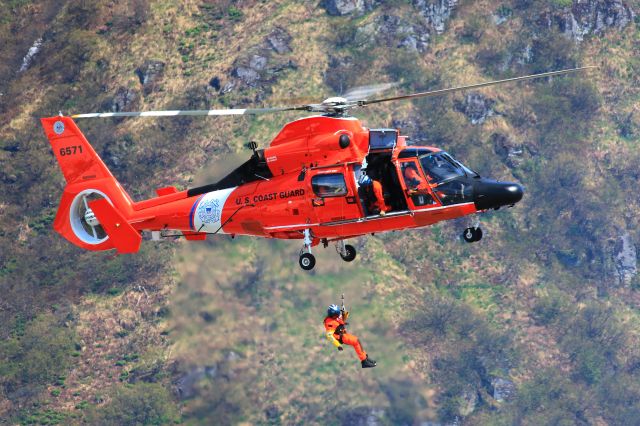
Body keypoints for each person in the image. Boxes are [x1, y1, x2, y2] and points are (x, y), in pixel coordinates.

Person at [324, 304, 376, 368]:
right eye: (336, 314)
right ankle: (364, 361)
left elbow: (342, 319)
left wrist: (344, 313)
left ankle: (365, 358)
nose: (338, 315)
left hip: (343, 334)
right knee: (356, 342)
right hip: (340, 337)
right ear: (332, 315)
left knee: (357, 342)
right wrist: (338, 345)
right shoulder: (330, 323)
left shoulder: (335, 317)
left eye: (338, 314)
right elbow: (329, 336)